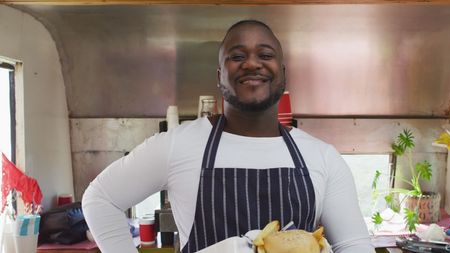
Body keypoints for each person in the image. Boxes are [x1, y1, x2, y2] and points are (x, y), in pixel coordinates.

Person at [82, 20, 375, 253]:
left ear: (282, 73)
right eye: (237, 56)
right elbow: (99, 199)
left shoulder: (321, 157)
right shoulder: (178, 145)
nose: (251, 63)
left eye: (265, 54)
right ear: (219, 75)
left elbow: (354, 245)